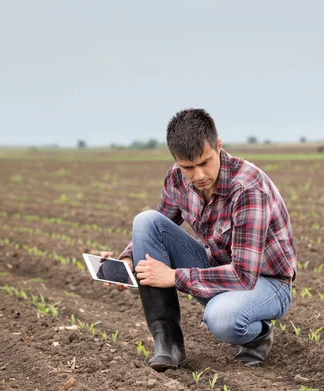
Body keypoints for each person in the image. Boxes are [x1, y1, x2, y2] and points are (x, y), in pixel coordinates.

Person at [104, 108, 296, 372]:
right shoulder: (176, 179)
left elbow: (243, 277)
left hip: (266, 282)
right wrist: (127, 259)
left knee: (222, 317)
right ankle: (168, 344)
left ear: (218, 146)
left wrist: (174, 276)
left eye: (205, 162)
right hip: (217, 270)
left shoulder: (248, 189)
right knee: (145, 221)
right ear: (176, 160)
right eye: (187, 167)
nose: (198, 176)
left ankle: (258, 334)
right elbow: (159, 227)